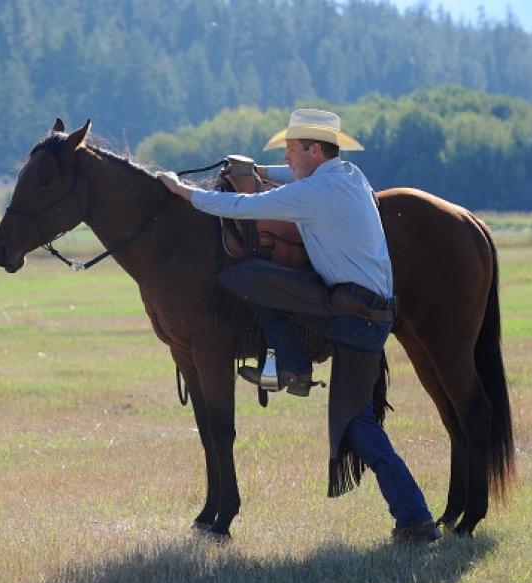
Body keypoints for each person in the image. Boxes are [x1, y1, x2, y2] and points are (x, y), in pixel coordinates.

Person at [157, 108, 441, 543]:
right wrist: (254, 168)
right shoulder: (348, 175)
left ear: (313, 150)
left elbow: (242, 206)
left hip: (353, 314)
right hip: (364, 308)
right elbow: (283, 176)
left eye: (291, 150)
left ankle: (416, 520)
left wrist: (183, 192)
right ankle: (291, 364)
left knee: (357, 423)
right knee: (253, 280)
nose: (286, 159)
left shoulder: (315, 193)